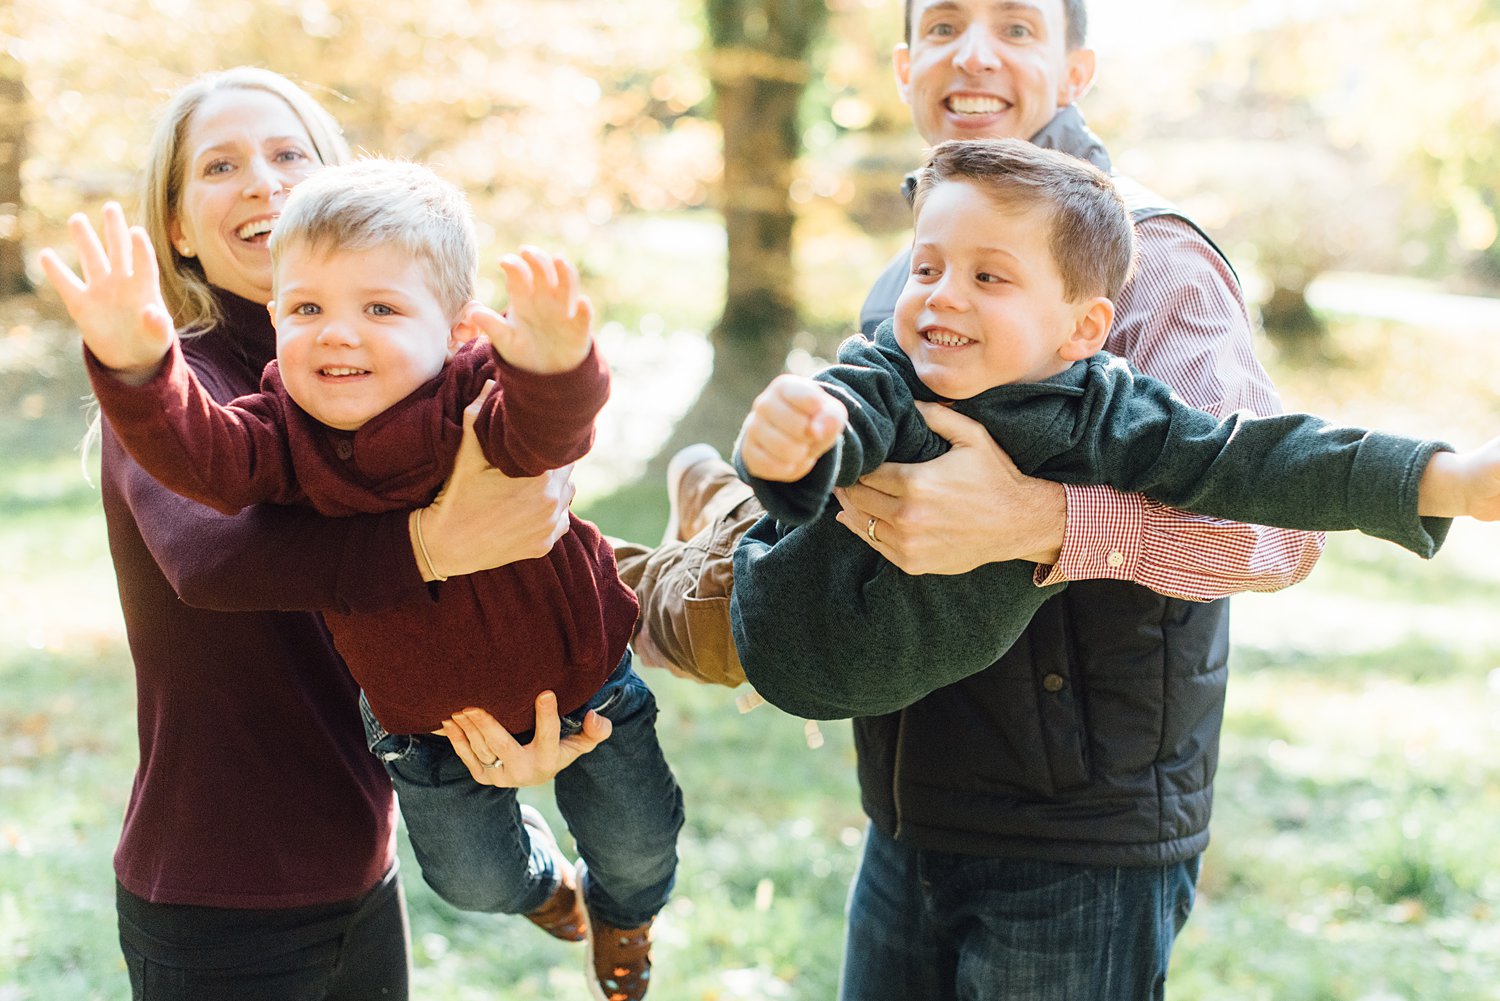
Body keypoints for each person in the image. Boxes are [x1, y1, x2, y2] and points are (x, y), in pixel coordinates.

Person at [610, 1, 1338, 997]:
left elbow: (1279, 532)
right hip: (909, 812)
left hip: (1080, 846)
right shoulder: (909, 278)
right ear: (907, 66)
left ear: (1078, 70)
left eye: (1018, 27)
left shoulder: (1154, 261)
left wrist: (1046, 522)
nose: (977, 53)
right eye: (945, 24)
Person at [47, 156, 682, 1001]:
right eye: (307, 310)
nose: (338, 333)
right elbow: (205, 464)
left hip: (587, 677)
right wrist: (137, 366)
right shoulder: (281, 426)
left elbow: (545, 434)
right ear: (276, 314)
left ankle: (627, 914)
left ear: (458, 328)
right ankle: (544, 888)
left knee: (638, 843)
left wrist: (559, 364)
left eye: (378, 309)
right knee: (471, 880)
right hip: (430, 725)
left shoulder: (472, 392)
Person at [729, 136, 1499, 719]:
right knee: (679, 588)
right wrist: (799, 443)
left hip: (889, 684)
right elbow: (843, 411)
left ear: (1084, 327)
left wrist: (1447, 480)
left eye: (987, 276)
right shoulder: (891, 371)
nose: (942, 297)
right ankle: (707, 497)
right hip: (771, 612)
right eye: (926, 270)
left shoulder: (1106, 412)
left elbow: (1256, 460)